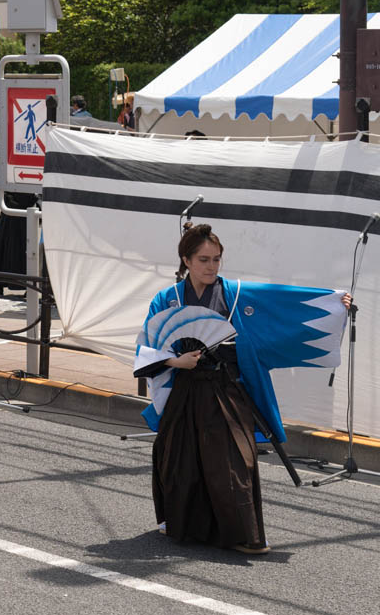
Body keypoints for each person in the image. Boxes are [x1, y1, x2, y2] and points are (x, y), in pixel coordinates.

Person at [134, 223, 350, 555]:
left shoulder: (235, 293)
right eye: (203, 259)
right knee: (177, 456)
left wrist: (332, 303)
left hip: (225, 387)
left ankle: (242, 534)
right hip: (185, 389)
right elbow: (148, 348)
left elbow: (282, 304)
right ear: (186, 260)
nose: (211, 267)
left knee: (234, 459)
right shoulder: (167, 299)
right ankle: (183, 525)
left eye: (216, 259)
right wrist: (177, 363)